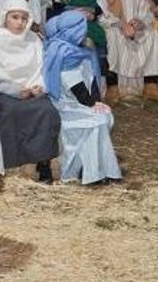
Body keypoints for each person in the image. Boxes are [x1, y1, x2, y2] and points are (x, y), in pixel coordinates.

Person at [0, 0, 61, 184]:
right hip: (4, 91)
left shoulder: (33, 39)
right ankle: (9, 163)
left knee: (47, 111)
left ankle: (42, 162)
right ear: (5, 17)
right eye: (15, 17)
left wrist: (38, 86)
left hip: (32, 89)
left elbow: (40, 67)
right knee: (11, 111)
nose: (19, 23)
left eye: (23, 18)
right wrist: (16, 90)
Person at [43, 12, 122, 185]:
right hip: (65, 106)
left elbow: (92, 77)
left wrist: (96, 102)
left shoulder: (80, 50)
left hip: (80, 102)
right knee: (98, 120)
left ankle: (97, 169)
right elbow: (72, 84)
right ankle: (88, 171)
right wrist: (91, 105)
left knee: (102, 116)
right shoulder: (62, 52)